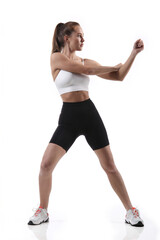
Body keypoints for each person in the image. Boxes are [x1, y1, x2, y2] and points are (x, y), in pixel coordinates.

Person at [28, 21, 144, 227]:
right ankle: (43, 210)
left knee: (109, 166)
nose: (83, 39)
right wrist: (111, 65)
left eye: (83, 36)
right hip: (69, 118)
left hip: (89, 115)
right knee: (46, 165)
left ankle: (130, 211)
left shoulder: (85, 60)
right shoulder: (56, 58)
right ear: (67, 38)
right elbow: (88, 71)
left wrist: (132, 55)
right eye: (79, 36)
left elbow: (119, 76)